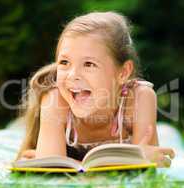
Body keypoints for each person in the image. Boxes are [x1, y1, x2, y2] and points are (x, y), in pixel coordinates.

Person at [16, 11, 175, 167]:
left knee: (169, 133)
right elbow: (52, 169)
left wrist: (145, 158)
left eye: (89, 64)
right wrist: (132, 159)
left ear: (123, 72)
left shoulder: (140, 98)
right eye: (64, 62)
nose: (72, 75)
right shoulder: (55, 100)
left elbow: (151, 163)